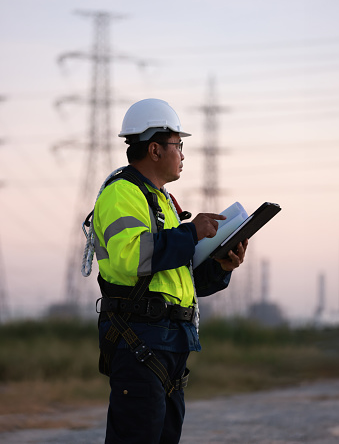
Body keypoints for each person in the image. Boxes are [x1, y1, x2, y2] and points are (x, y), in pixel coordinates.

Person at [91, 98, 248, 443]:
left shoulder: (162, 201)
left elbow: (178, 280)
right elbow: (134, 258)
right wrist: (192, 232)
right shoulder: (122, 194)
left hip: (167, 343)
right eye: (179, 145)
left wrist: (221, 267)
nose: (183, 154)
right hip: (140, 341)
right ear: (155, 149)